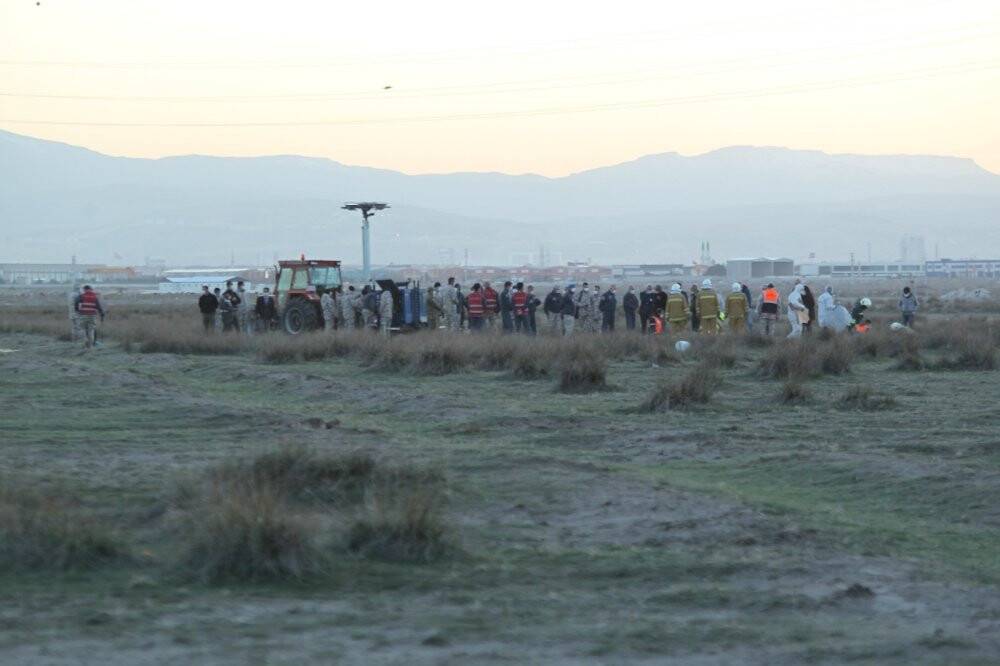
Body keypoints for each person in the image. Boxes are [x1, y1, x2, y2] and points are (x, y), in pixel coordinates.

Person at [74, 285, 104, 349]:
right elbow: (98, 306)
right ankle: (90, 346)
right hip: (92, 316)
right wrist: (101, 314)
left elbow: (76, 303)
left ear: (85, 289)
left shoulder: (81, 296)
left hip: (83, 315)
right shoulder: (94, 297)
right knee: (91, 331)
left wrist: (78, 311)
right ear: (90, 289)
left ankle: (85, 342)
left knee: (83, 329)